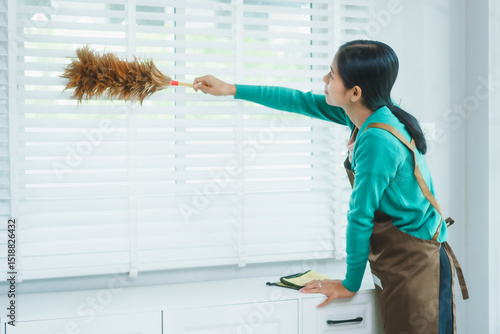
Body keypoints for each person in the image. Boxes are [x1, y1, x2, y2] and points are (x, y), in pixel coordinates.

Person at [192, 40, 468, 334]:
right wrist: (231, 89)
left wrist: (349, 284)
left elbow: (360, 217)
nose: (325, 80)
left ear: (355, 92)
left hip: (417, 266)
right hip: (399, 258)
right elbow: (298, 100)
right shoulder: (364, 114)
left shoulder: (377, 140)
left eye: (332, 75)